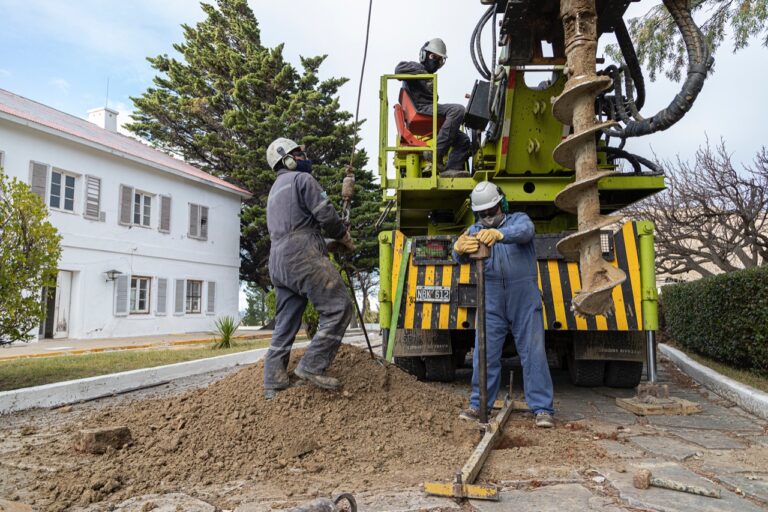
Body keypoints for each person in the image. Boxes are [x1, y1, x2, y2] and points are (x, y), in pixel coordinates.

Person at [452, 182, 555, 428]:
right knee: (484, 353)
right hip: (491, 296)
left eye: (492, 210)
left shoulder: (519, 220)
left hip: (524, 295)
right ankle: (479, 405)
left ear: (502, 204)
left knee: (533, 352)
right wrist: (457, 250)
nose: (488, 217)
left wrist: (500, 235)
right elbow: (460, 256)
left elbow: (526, 232)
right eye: (483, 213)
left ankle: (542, 409)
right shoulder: (474, 229)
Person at [263, 137, 354, 400]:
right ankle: (311, 366)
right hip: (300, 256)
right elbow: (325, 215)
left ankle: (273, 379)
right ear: (287, 159)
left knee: (286, 321)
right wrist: (343, 236)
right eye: (299, 153)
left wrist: (330, 245)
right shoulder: (302, 180)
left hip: (278, 262)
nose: (304, 157)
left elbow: (294, 233)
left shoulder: (274, 192)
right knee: (339, 307)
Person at [395, 38, 471, 178]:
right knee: (458, 110)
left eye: (439, 59)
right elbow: (398, 69)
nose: (436, 61)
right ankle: (436, 153)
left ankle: (450, 170)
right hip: (421, 110)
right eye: (433, 57)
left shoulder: (430, 79)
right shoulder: (417, 68)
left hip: (431, 115)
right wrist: (422, 72)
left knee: (464, 141)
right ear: (424, 55)